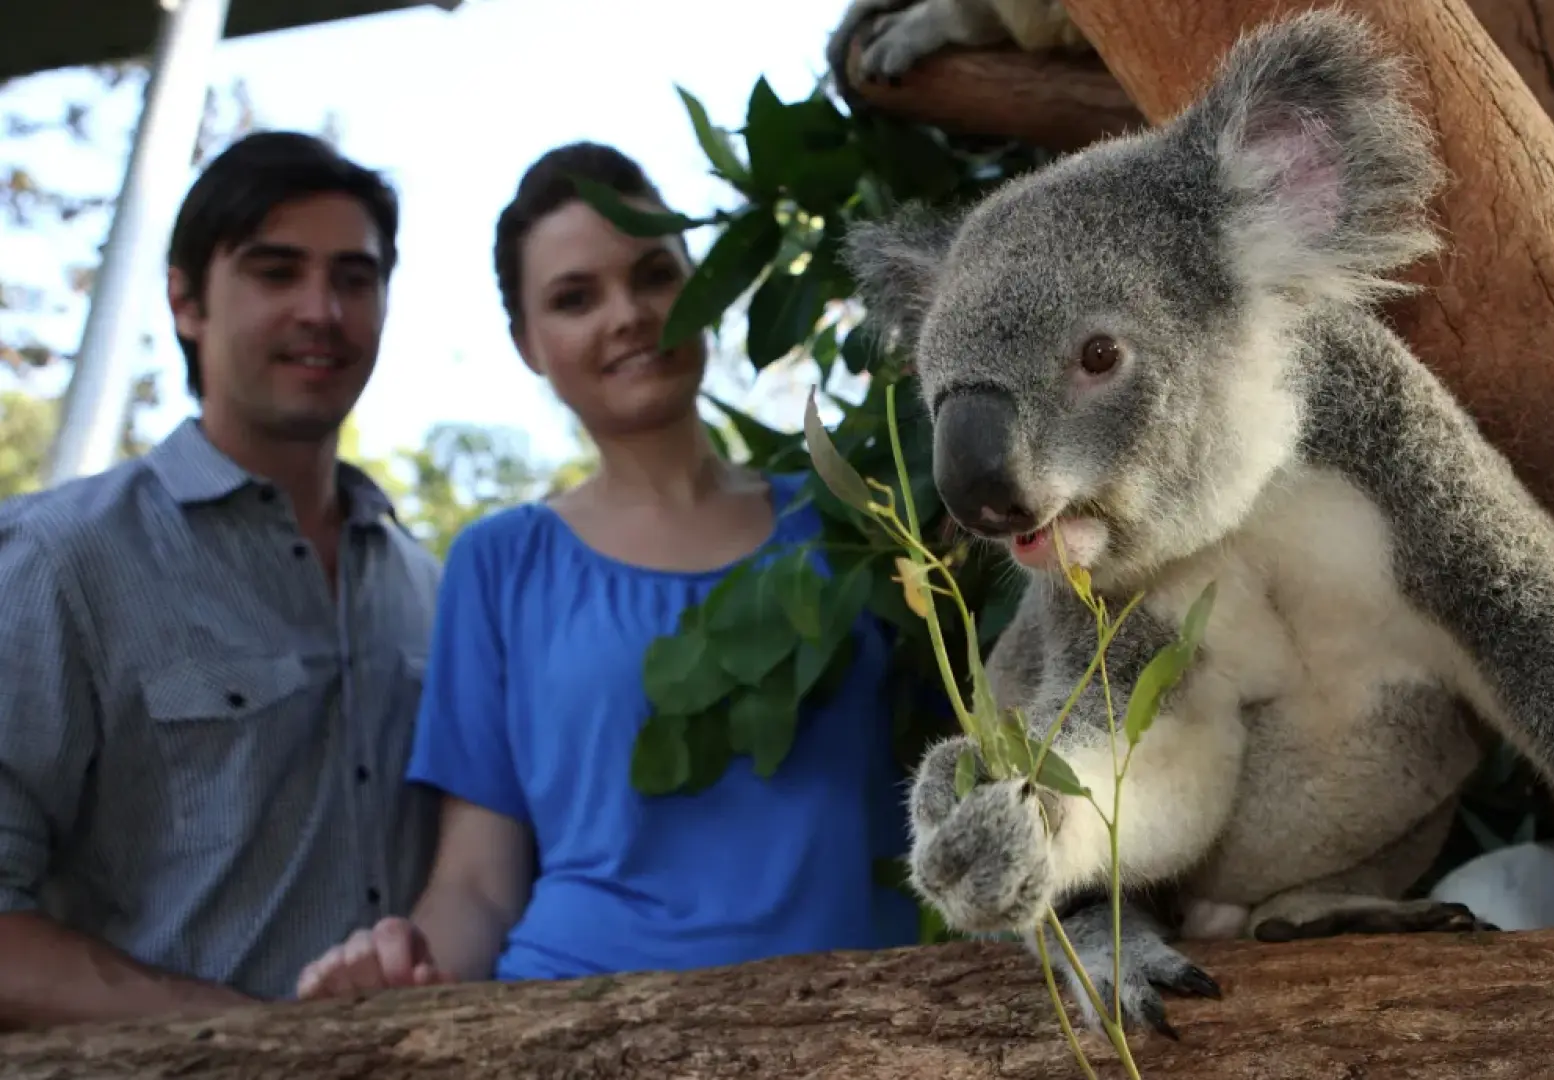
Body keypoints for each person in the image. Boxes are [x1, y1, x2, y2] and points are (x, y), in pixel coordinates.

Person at [293, 141, 919, 998]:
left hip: (872, 1026)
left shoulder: (857, 514)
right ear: (527, 343)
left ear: (702, 282)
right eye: (574, 297)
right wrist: (404, 971)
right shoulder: (499, 561)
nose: (626, 313)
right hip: (578, 1023)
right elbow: (478, 880)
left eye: (655, 274)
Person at [0, 131, 442, 1028]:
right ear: (187, 300)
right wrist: (247, 1035)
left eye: (354, 279)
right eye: (276, 272)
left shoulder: (432, 591)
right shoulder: (57, 560)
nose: (322, 310)